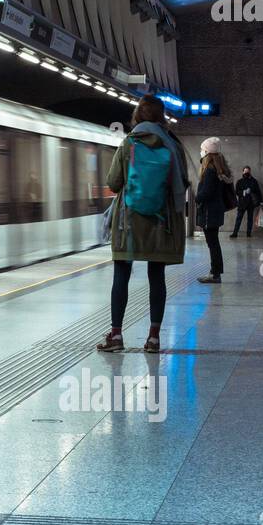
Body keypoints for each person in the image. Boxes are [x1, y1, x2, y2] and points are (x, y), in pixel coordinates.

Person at [96, 95, 190, 354]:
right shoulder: (173, 144)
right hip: (162, 222)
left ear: (137, 116)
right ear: (161, 117)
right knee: (156, 276)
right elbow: (183, 181)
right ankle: (154, 338)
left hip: (129, 223)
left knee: (121, 275)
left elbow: (114, 183)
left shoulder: (128, 143)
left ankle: (116, 335)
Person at [195, 137, 233, 283]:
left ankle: (215, 274)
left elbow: (207, 192)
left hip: (209, 212)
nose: (200, 152)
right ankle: (215, 272)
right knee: (214, 243)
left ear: (206, 152)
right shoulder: (218, 169)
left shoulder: (210, 170)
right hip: (215, 211)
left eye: (202, 150)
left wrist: (197, 198)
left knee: (213, 244)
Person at [231, 165, 263, 238]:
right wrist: (244, 192)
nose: (246, 173)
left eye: (248, 171)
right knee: (238, 218)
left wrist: (261, 201)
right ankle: (235, 233)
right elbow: (236, 192)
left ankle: (248, 234)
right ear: (243, 172)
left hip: (251, 203)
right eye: (245, 171)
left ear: (250, 172)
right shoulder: (239, 181)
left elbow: (258, 191)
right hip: (242, 203)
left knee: (250, 219)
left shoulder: (254, 181)